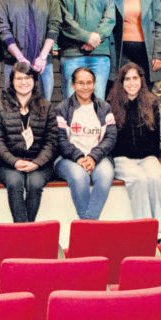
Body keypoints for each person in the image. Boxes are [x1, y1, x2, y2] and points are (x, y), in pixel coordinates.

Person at [0, 63, 57, 222]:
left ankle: (27, 229)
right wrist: (14, 162)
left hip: (40, 163)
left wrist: (37, 163)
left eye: (28, 77)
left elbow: (52, 141)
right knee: (15, 183)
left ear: (34, 80)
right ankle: (23, 231)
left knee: (35, 184)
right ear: (11, 81)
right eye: (19, 78)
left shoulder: (46, 107)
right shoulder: (0, 107)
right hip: (9, 163)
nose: (23, 82)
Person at [109, 63, 161, 234]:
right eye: (127, 79)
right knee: (138, 179)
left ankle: (160, 233)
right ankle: (144, 231)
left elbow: (155, 138)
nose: (131, 83)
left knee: (156, 178)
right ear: (121, 82)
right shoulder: (111, 104)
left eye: (135, 78)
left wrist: (156, 160)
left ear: (141, 80)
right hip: (121, 159)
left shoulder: (152, 103)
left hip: (147, 157)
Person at [53, 67, 117, 220]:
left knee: (106, 175)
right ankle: (90, 228)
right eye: (81, 83)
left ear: (94, 84)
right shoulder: (62, 108)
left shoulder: (104, 107)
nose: (85, 86)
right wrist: (79, 157)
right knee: (79, 177)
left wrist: (93, 157)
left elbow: (110, 137)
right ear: (73, 85)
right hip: (68, 159)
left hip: (98, 158)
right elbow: (60, 139)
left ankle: (87, 224)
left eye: (89, 82)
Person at [55, 0, 116, 97]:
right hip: (72, 54)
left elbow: (110, 16)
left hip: (100, 53)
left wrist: (97, 37)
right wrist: (87, 37)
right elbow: (63, 17)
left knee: (98, 101)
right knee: (71, 103)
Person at [111, 0, 161, 98]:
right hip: (122, 50)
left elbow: (159, 26)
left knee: (145, 93)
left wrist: (158, 54)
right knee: (123, 92)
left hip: (145, 50)